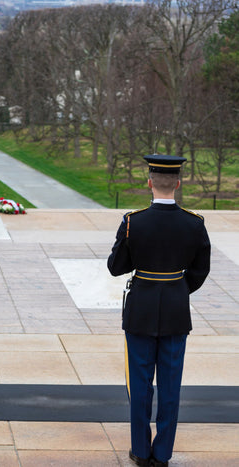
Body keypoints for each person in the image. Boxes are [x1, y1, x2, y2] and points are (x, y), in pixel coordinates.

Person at [107, 154, 211, 467]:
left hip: (140, 311)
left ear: (149, 182)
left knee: (139, 385)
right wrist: (177, 290)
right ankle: (162, 454)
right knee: (170, 386)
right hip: (177, 313)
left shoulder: (132, 222)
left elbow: (115, 267)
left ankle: (140, 450)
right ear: (178, 183)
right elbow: (200, 271)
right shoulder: (194, 223)